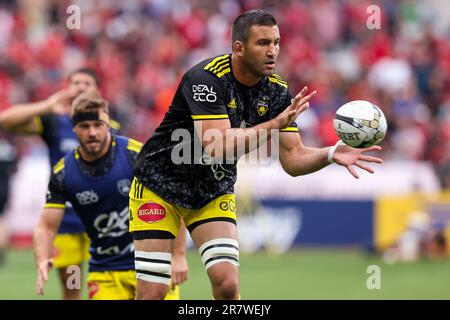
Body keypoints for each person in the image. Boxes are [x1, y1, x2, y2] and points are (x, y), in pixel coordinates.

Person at [128, 9, 383, 300]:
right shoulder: (205, 80)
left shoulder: (277, 92)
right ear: (239, 47)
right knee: (153, 293)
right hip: (159, 187)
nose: (272, 50)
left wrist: (330, 153)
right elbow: (218, 145)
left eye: (276, 42)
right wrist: (274, 125)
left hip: (211, 192)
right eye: (263, 43)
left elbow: (293, 159)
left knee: (227, 284)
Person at [33, 92, 188, 299]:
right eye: (84, 126)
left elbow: (173, 200)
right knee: (71, 290)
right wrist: (42, 259)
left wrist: (178, 255)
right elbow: (46, 225)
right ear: (74, 129)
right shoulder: (63, 172)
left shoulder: (136, 155)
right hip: (104, 272)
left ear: (108, 124)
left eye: (98, 125)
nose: (92, 133)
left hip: (151, 264)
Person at [0, 68, 118, 299]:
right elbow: (6, 121)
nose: (80, 87)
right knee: (72, 289)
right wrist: (46, 106)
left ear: (96, 90)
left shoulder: (111, 126)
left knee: (107, 286)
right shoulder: (55, 122)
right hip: (68, 222)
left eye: (86, 82)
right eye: (75, 82)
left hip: (103, 223)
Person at [0, 131, 17, 267]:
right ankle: (1, 255)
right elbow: (14, 169)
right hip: (4, 189)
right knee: (2, 220)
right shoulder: (8, 148)